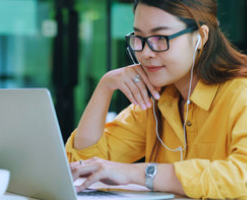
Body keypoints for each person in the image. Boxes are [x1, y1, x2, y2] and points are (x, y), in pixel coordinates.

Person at [65, 0, 247, 199]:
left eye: (161, 37)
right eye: (139, 37)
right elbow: (82, 165)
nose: (145, 52)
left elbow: (241, 177)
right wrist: (105, 86)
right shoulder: (156, 99)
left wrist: (140, 173)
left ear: (201, 37)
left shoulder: (241, 93)